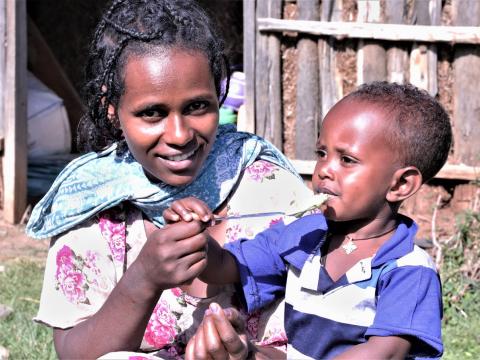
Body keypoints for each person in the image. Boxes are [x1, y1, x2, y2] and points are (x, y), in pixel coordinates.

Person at [26, 1, 312, 358]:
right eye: (152, 113)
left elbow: (330, 330)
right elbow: (75, 355)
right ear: (113, 111)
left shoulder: (267, 186)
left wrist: (247, 354)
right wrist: (143, 278)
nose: (179, 134)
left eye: (197, 107)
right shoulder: (93, 205)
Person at [164, 81, 451, 359]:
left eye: (347, 160)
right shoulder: (304, 237)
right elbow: (227, 267)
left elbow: (385, 353)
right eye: (322, 153)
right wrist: (197, 241)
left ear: (400, 184)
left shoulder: (409, 271)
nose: (324, 170)